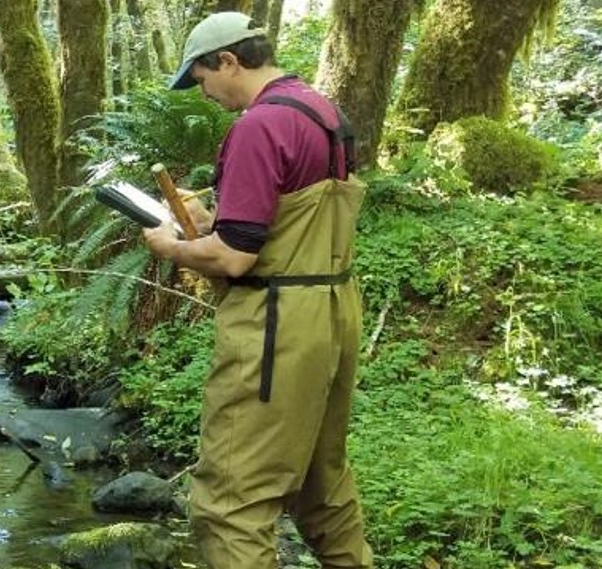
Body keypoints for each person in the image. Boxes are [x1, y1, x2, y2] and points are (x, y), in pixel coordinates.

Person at [138, 11, 375, 569]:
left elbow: (234, 257)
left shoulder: (259, 125)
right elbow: (274, 221)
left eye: (202, 79)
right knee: (323, 485)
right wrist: (211, 217)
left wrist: (171, 245)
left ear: (228, 60)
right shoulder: (322, 112)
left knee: (229, 502)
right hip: (333, 312)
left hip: (276, 326)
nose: (205, 94)